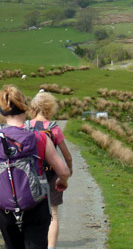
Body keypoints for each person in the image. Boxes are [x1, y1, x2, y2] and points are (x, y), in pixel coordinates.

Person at [0, 85, 70, 249]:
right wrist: (62, 182)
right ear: (25, 107)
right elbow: (63, 171)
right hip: (35, 205)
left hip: (5, 209)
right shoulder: (38, 137)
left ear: (3, 112)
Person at [29, 91, 73, 249]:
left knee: (30, 211)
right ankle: (51, 247)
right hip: (53, 174)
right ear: (50, 107)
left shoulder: (26, 127)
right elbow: (67, 155)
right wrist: (69, 169)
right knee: (53, 214)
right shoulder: (54, 129)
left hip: (31, 175)